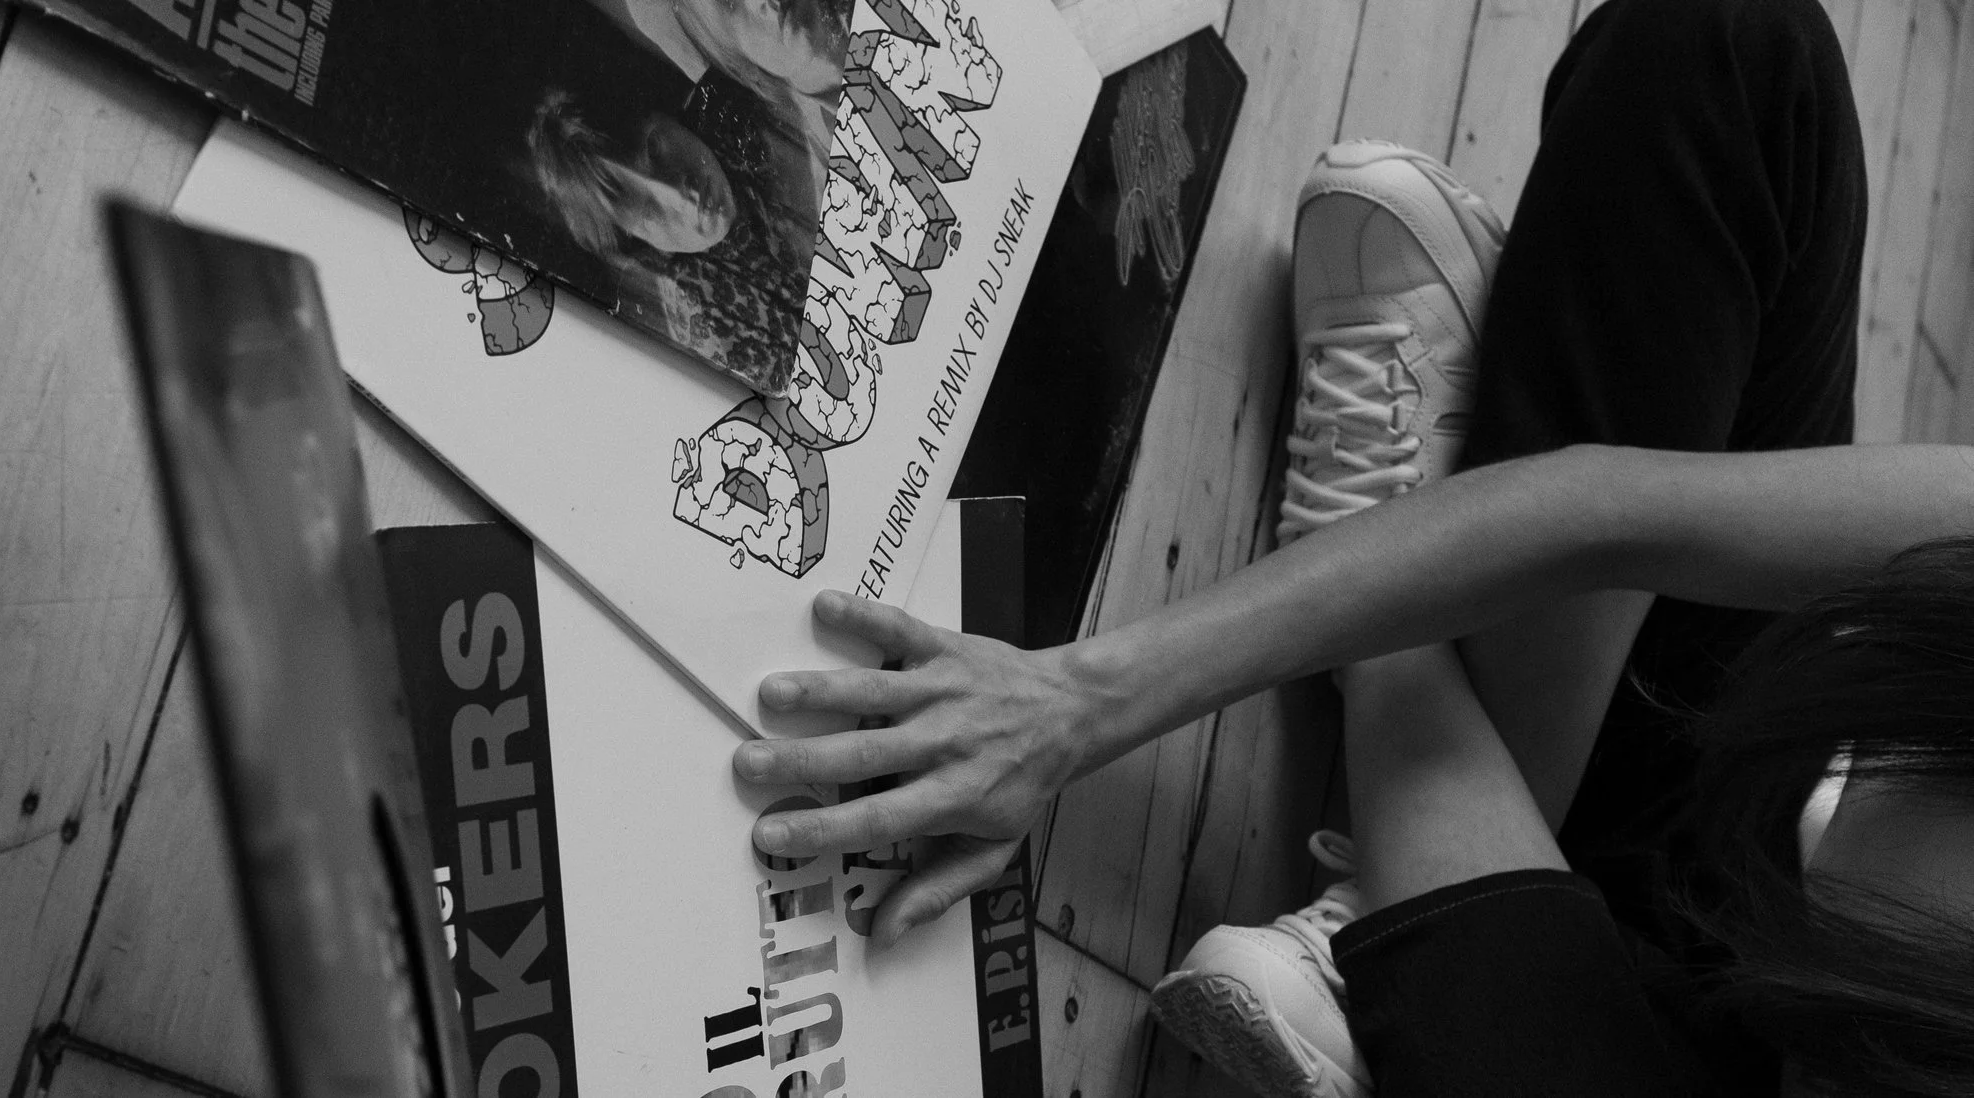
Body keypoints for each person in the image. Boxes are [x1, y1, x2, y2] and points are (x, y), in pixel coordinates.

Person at [737, 0, 1974, 1094]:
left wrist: (1391, 620)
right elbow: (1610, 510)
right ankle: (1399, 847)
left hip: (1674, 1049)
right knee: (1728, 45)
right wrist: (1078, 701)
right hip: (1755, 779)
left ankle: (1399, 830)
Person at [526, 87, 810, 392]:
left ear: (665, 115)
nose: (682, 194)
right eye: (649, 210)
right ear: (640, 245)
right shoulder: (712, 333)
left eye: (655, 148)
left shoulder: (745, 113)